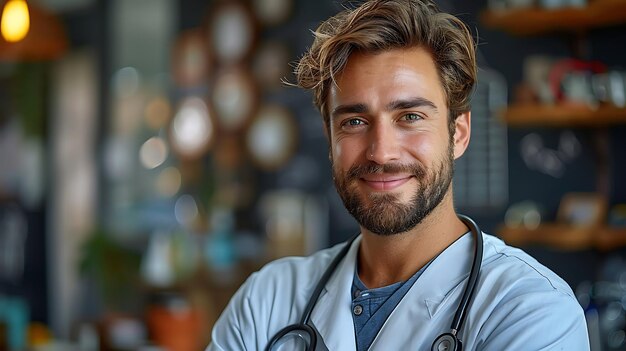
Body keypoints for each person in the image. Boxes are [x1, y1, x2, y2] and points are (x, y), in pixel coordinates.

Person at [207, 0, 590, 350]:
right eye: (354, 121)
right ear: (329, 138)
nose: (381, 152)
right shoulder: (266, 301)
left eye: (410, 117)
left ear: (458, 133)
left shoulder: (531, 311)